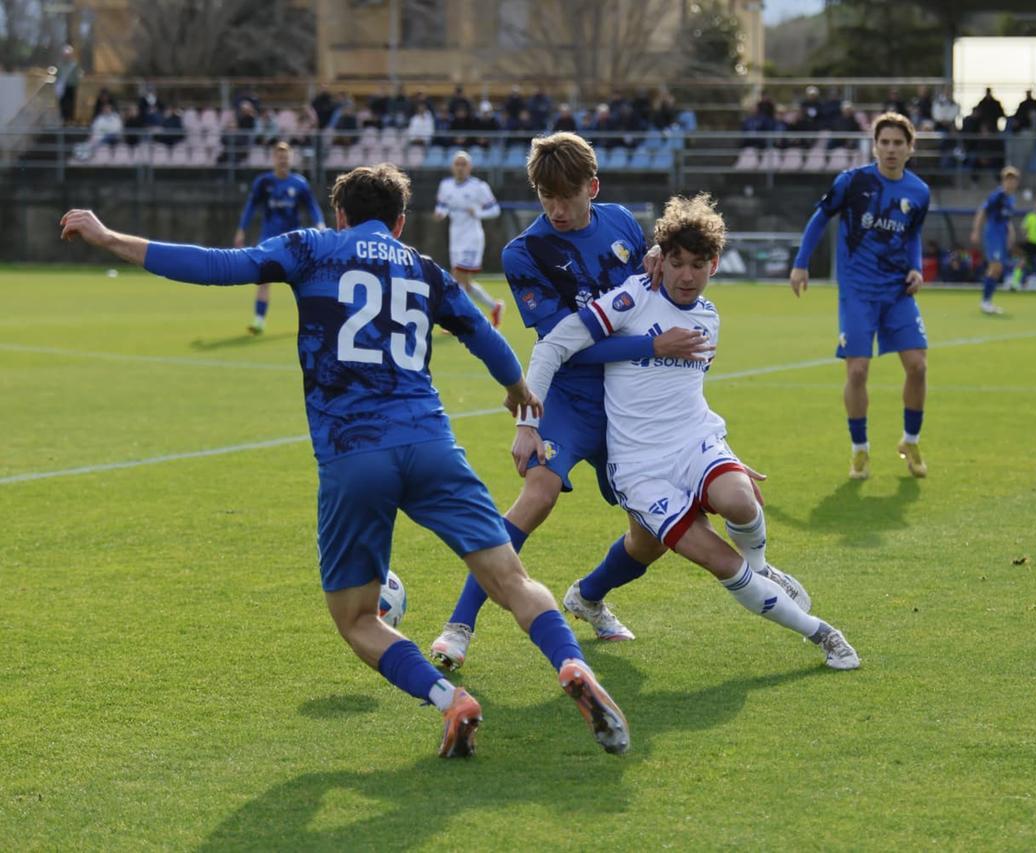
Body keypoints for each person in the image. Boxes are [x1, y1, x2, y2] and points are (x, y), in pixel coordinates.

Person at [58, 164, 631, 759]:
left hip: (354, 454)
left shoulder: (310, 248)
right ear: (401, 222)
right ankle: (571, 664)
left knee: (358, 618)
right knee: (511, 580)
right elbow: (485, 338)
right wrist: (516, 389)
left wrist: (109, 237)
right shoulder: (424, 268)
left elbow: (214, 266)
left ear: (339, 215)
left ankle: (449, 700)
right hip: (432, 444)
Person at [520, 194, 860, 670]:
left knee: (741, 500)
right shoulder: (633, 296)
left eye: (697, 265)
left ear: (714, 265)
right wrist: (526, 422)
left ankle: (760, 570)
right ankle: (822, 633)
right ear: (663, 260)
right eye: (675, 262)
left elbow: (682, 396)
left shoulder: (709, 319)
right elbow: (555, 345)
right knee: (711, 558)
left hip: (692, 444)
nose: (684, 275)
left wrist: (726, 451)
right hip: (639, 467)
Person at [428, 132, 712, 669]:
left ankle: (589, 596)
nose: (556, 210)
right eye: (545, 197)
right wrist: (650, 346)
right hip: (573, 397)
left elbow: (655, 290)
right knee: (538, 492)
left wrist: (658, 256)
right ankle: (459, 624)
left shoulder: (623, 222)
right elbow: (565, 346)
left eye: (567, 197)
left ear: (593, 188)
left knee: (650, 535)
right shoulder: (524, 252)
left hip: (631, 403)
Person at [789, 112, 931, 481]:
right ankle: (860, 451)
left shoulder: (918, 192)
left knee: (918, 365)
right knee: (857, 370)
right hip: (857, 292)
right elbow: (820, 218)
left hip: (897, 291)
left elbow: (912, 234)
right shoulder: (853, 182)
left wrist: (916, 267)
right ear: (875, 145)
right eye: (884, 142)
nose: (890, 149)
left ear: (910, 148)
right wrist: (801, 263)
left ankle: (910, 440)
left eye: (898, 143)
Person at [233, 142, 326, 335]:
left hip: (294, 240)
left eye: (286, 157)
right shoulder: (264, 182)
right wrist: (242, 229)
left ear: (290, 159)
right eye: (279, 157)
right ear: (274, 159)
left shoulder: (299, 183)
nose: (283, 160)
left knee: (306, 280)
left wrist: (320, 225)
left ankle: (314, 322)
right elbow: (251, 207)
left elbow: (312, 207)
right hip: (269, 239)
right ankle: (258, 321)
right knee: (264, 279)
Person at [434, 151, 504, 326]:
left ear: (470, 167)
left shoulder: (479, 187)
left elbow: (495, 209)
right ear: (452, 167)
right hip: (455, 237)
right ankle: (494, 306)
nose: (460, 168)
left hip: (472, 237)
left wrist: (478, 212)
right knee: (465, 282)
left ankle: (462, 318)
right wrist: (440, 213)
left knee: (457, 279)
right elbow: (442, 206)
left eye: (463, 164)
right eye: (457, 164)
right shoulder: (445, 185)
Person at [970, 166, 1020, 314]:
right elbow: (982, 211)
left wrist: (1010, 233)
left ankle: (988, 301)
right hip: (993, 233)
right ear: (1003, 180)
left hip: (1002, 235)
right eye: (1008, 179)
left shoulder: (1011, 198)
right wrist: (976, 231)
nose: (1010, 182)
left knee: (997, 269)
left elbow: (1007, 219)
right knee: (995, 267)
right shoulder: (997, 195)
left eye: (1013, 180)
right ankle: (985, 302)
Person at [55, 45, 82, 125]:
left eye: (68, 54)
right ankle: (64, 118)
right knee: (63, 103)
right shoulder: (60, 65)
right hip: (62, 87)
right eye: (65, 54)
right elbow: (58, 75)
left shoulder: (74, 65)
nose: (67, 56)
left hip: (71, 86)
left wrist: (76, 83)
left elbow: (77, 76)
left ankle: (70, 119)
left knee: (71, 103)